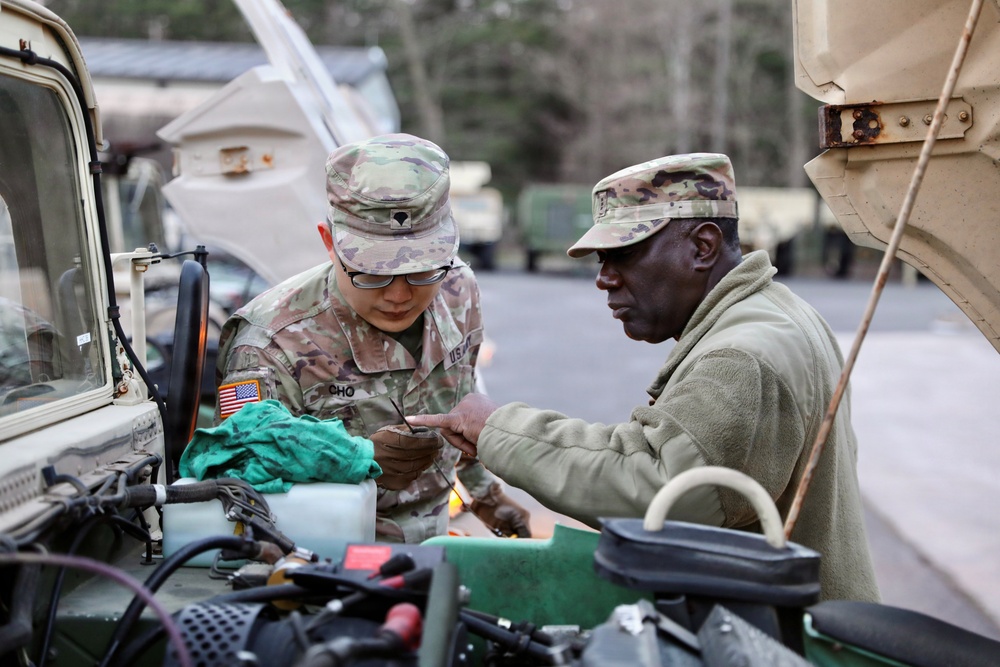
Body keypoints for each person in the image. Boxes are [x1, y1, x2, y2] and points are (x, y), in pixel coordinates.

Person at [409, 153, 879, 601]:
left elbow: (658, 490)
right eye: (601, 261)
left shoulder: (743, 357)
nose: (604, 279)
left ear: (703, 246)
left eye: (624, 255)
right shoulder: (778, 313)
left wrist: (496, 429)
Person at [215, 133, 530, 543]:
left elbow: (458, 403)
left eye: (422, 269)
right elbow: (233, 466)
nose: (399, 296)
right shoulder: (269, 343)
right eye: (372, 273)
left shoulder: (458, 290)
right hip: (324, 552)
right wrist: (351, 459)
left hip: (436, 534)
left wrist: (486, 496)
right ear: (330, 244)